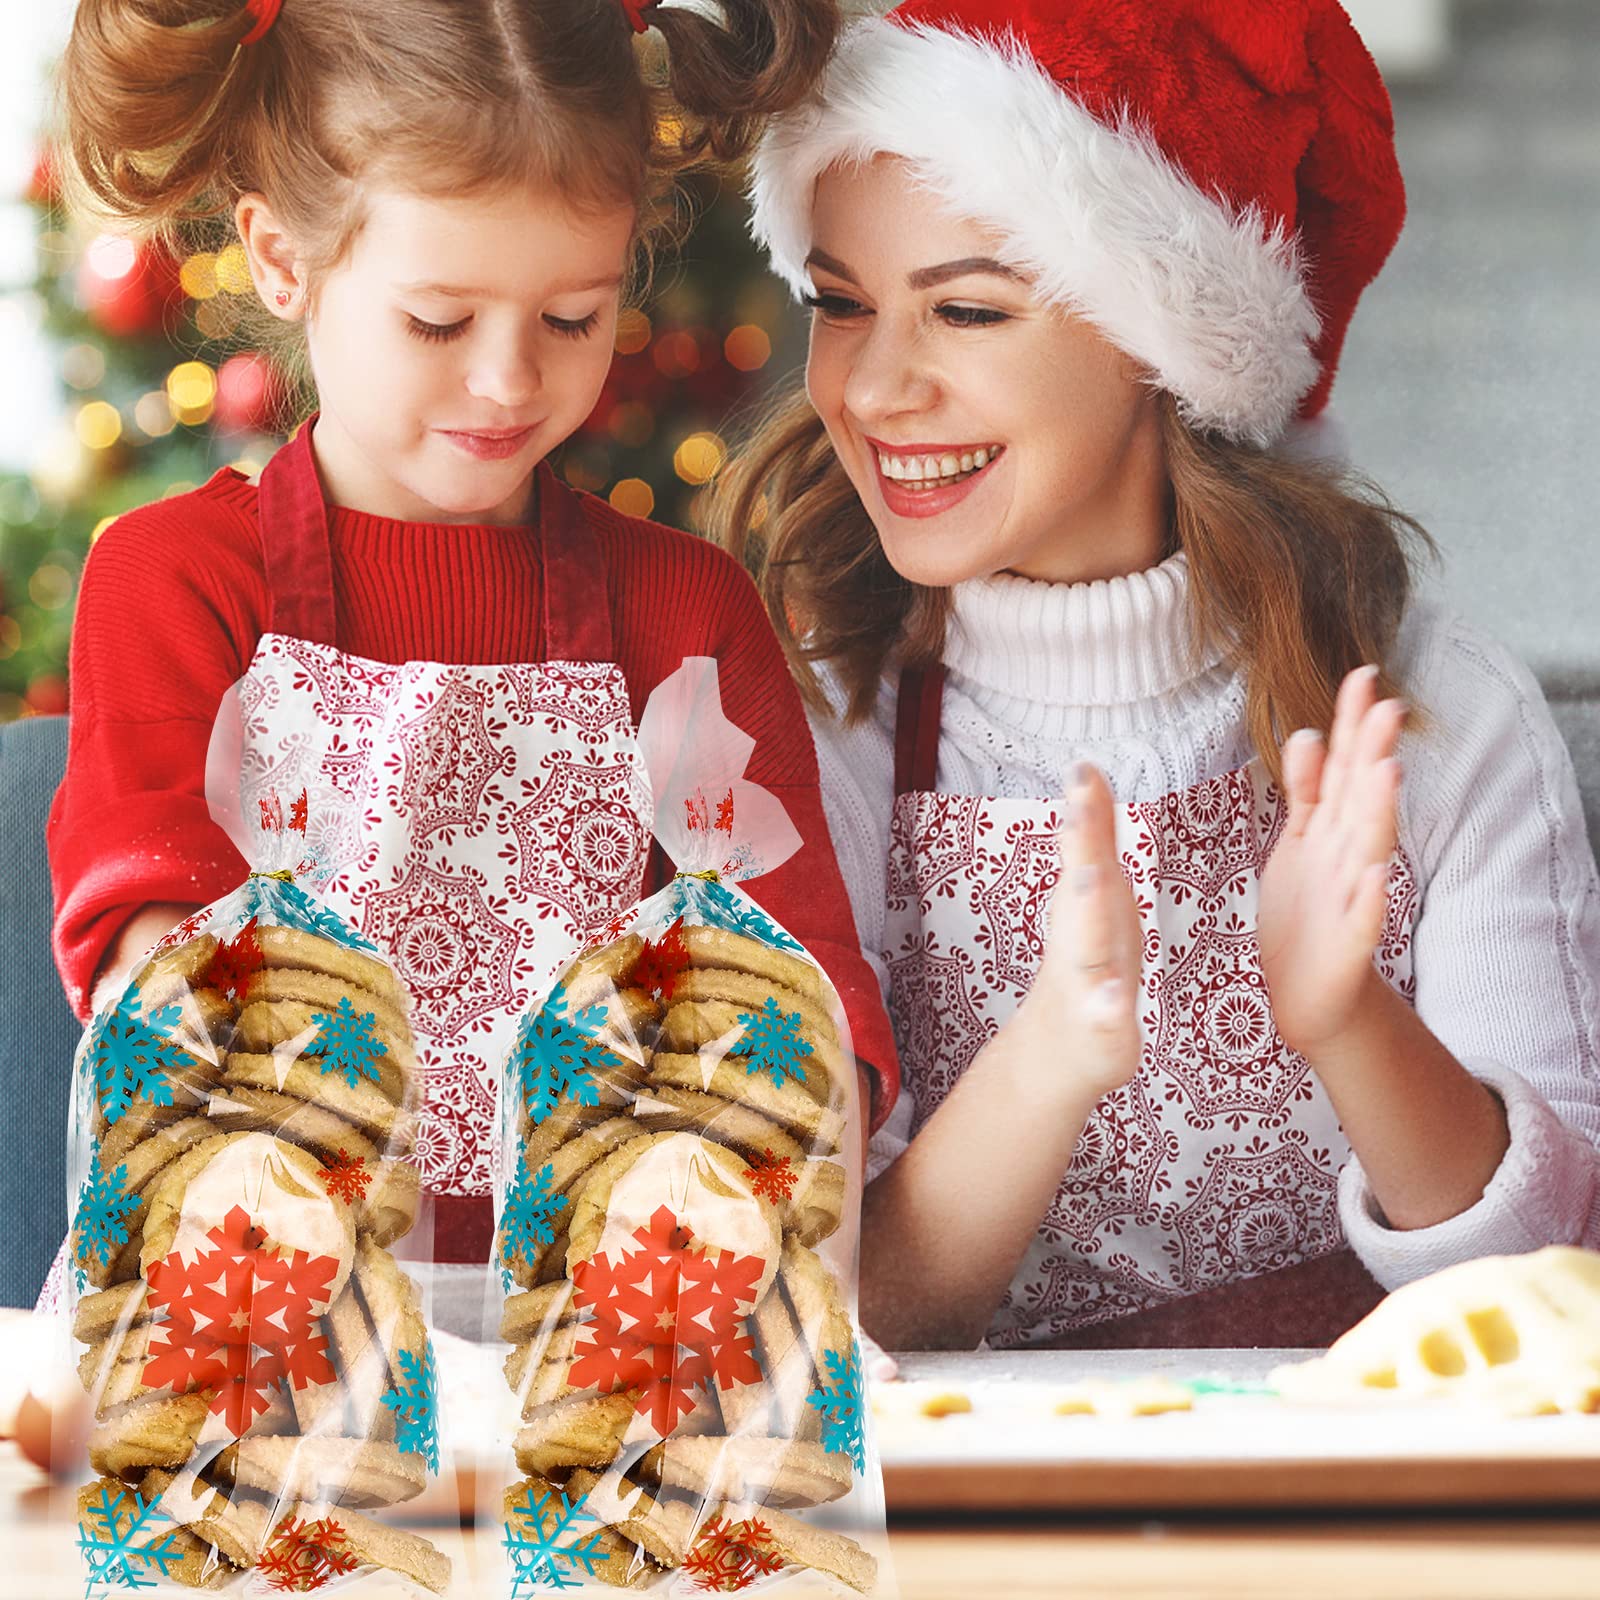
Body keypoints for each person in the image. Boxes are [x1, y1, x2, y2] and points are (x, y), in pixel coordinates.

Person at [714, 0, 1600, 1350]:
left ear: (1157, 335)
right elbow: (833, 1298)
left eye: (963, 309)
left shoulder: (1444, 716)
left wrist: (1346, 1017)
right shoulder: (820, 726)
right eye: (841, 305)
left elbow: (1544, 1281)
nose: (877, 388)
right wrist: (1052, 1054)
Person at [44, 0, 898, 1322]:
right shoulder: (176, 583)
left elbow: (792, 996)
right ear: (280, 256)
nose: (508, 383)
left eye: (571, 317)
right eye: (440, 322)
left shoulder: (686, 612)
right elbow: (158, 955)